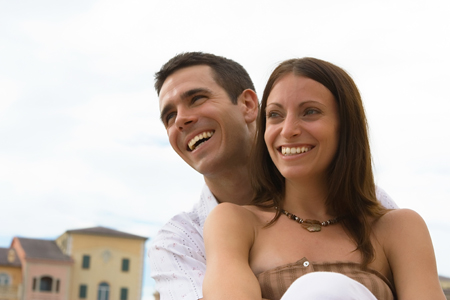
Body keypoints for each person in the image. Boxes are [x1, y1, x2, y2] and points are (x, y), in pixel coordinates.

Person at [149, 52, 398, 300]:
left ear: (248, 105)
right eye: (170, 117)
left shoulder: (373, 207)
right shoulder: (178, 241)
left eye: (197, 98)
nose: (181, 119)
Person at [202, 57, 445, 299]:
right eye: (275, 115)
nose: (288, 130)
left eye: (310, 112)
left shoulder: (399, 228)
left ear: (345, 126)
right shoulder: (234, 223)